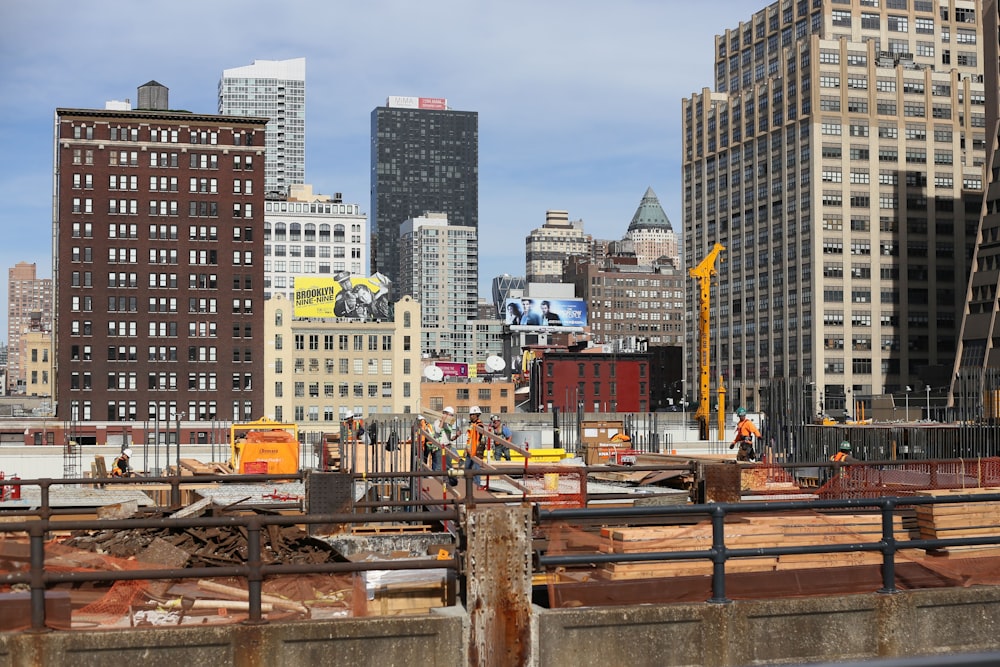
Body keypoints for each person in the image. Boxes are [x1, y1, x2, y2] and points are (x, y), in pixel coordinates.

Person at [431, 407, 456, 477]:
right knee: (439, 466)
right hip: (439, 447)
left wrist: (456, 436)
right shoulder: (437, 422)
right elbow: (438, 431)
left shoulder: (449, 424)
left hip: (447, 447)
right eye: (450, 415)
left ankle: (448, 482)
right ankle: (437, 482)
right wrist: (443, 420)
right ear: (445, 414)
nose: (451, 417)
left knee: (448, 465)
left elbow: (451, 438)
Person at [465, 406, 486, 489]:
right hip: (469, 450)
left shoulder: (479, 425)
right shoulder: (472, 425)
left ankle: (477, 484)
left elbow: (480, 439)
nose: (470, 416)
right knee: (467, 468)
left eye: (472, 415)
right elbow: (469, 438)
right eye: (470, 415)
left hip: (475, 450)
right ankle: (468, 484)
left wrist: (478, 450)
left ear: (477, 415)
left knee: (476, 468)